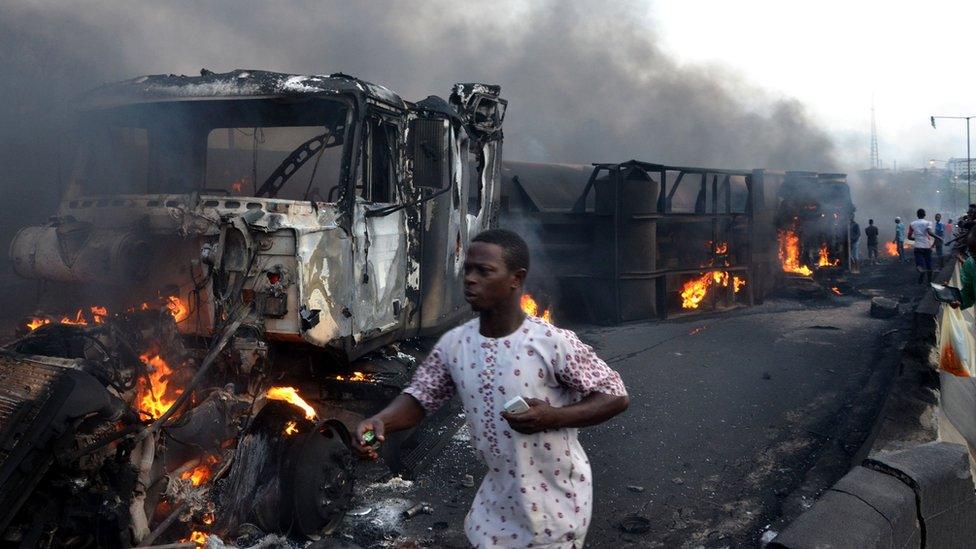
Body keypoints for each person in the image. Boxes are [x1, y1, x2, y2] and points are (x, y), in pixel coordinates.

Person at [354, 229, 629, 548]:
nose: (470, 279)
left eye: (484, 271)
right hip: (493, 507)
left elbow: (615, 394)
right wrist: (381, 421)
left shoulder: (551, 343)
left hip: (554, 510)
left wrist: (553, 417)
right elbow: (420, 398)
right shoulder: (456, 345)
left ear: (516, 278)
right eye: (467, 269)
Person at [908, 208, 937, 284]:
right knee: (929, 264)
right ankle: (929, 282)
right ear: (924, 215)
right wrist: (938, 237)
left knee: (919, 265)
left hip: (918, 247)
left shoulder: (912, 224)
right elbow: (929, 232)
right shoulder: (928, 223)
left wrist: (917, 238)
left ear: (917, 215)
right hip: (927, 246)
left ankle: (921, 272)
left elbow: (909, 237)